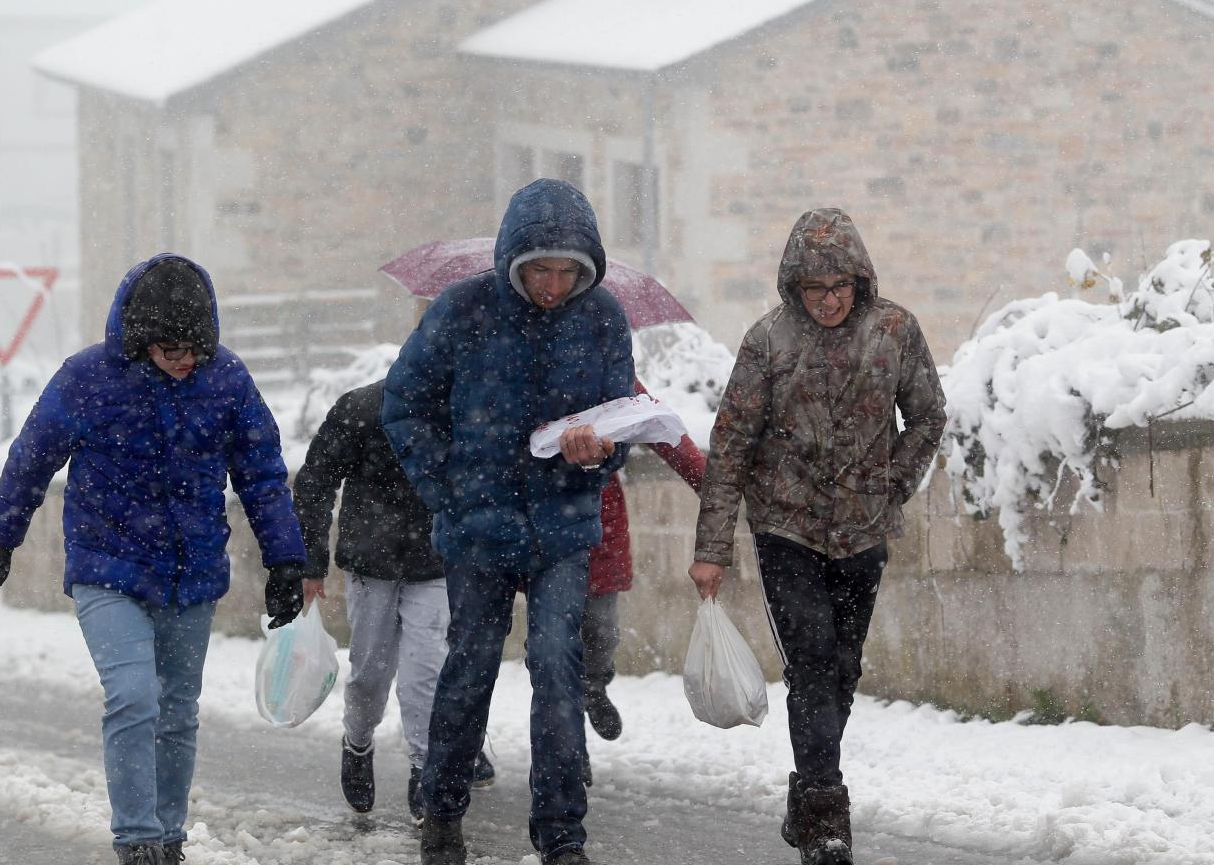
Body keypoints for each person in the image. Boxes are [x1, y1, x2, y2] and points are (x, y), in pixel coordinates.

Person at [0, 255, 308, 865]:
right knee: (133, 695)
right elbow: (31, 459)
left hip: (192, 570)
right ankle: (137, 840)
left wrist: (286, 561)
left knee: (178, 710)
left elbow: (261, 475)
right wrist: (1, 541)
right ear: (139, 340)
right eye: (169, 348)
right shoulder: (87, 379)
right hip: (107, 565)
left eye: (194, 349)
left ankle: (168, 835)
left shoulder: (227, 380)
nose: (184, 361)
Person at [384, 178, 634, 865]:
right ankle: (442, 811)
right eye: (540, 269)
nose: (553, 285)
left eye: (566, 271)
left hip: (563, 527)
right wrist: (451, 491)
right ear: (513, 263)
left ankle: (562, 836)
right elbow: (403, 407)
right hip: (476, 530)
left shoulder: (605, 319)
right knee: (470, 667)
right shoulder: (462, 311)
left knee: (558, 667)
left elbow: (622, 424)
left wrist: (600, 453)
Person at [688, 208, 946, 865]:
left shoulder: (894, 331)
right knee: (811, 662)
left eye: (840, 287)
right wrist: (711, 549)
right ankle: (828, 815)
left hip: (864, 530)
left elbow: (927, 415)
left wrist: (894, 484)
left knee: (843, 669)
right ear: (794, 288)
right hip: (786, 528)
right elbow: (731, 445)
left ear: (859, 281)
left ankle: (805, 788)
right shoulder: (767, 342)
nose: (829, 301)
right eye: (815, 289)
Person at [292, 380, 496, 825]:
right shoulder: (364, 406)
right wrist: (310, 561)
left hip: (438, 561)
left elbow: (492, 481)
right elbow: (316, 479)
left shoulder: (470, 405)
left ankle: (425, 770)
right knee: (370, 672)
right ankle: (357, 742)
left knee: (427, 672)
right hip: (371, 562)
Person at [580, 382, 704, 774]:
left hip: (599, 521)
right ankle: (565, 747)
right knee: (549, 646)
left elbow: (661, 429)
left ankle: (594, 685)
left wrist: (715, 489)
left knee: (602, 630)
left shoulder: (607, 359)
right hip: (537, 523)